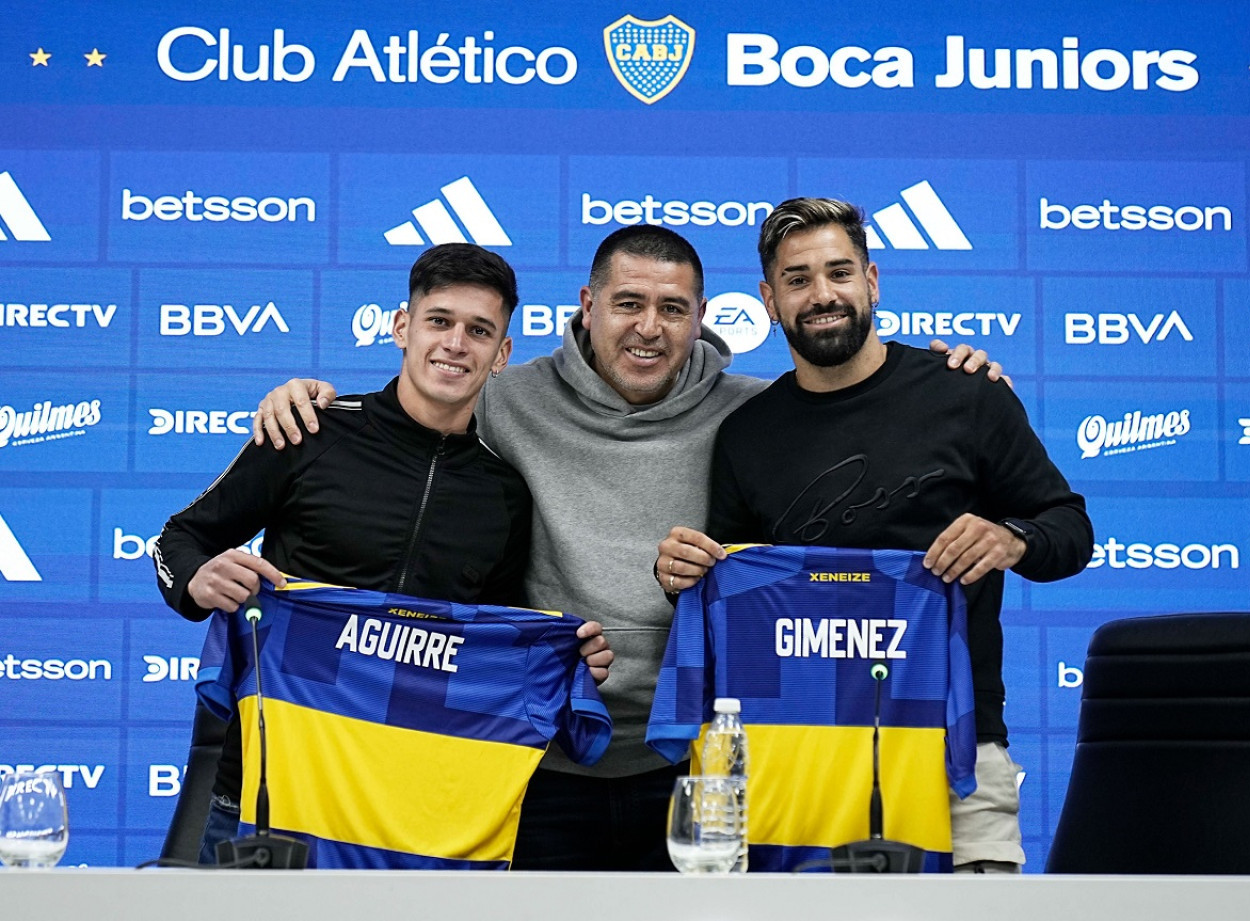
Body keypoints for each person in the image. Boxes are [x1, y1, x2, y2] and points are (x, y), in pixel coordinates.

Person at [253, 225, 1003, 870]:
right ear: (587, 305)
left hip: (695, 760)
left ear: (703, 317)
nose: (650, 326)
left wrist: (951, 379)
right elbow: (423, 393)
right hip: (537, 753)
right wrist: (318, 399)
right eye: (629, 304)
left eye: (673, 309)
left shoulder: (754, 413)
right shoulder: (505, 395)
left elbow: (858, 405)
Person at [656, 198, 1093, 873]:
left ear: (873, 280)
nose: (822, 294)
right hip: (799, 759)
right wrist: (683, 575)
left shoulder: (967, 393)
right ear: (770, 301)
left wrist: (1012, 539)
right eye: (798, 280)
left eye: (839, 272)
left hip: (957, 754)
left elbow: (1072, 531)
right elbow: (731, 600)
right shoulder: (747, 434)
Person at [154, 242, 611, 864]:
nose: (456, 344)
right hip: (266, 799)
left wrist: (567, 660)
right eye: (439, 321)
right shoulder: (308, 430)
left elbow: (496, 643)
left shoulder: (504, 493)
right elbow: (179, 538)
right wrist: (197, 576)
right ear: (402, 327)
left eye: (480, 331)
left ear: (502, 355)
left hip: (413, 811)